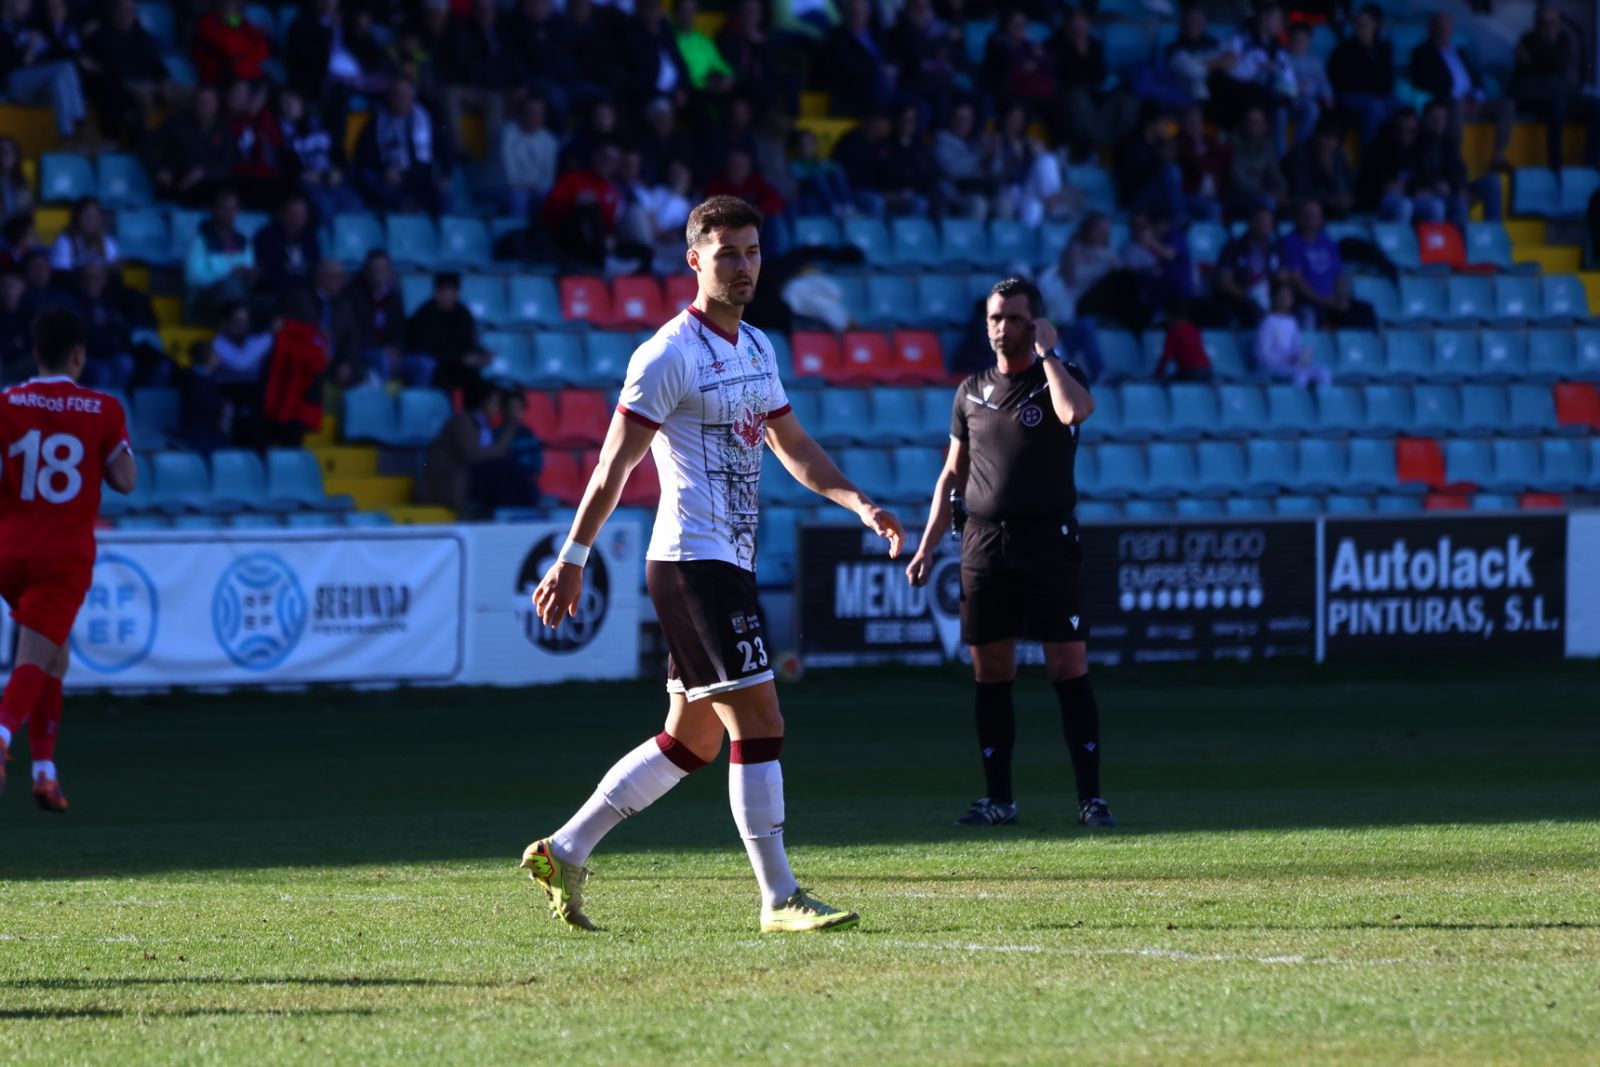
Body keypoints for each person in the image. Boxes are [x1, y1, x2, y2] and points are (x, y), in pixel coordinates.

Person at [521, 195, 904, 933]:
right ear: (693, 260)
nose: (743, 267)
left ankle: (565, 847)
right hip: (692, 560)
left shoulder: (759, 347)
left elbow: (793, 444)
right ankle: (779, 895)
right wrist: (574, 556)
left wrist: (858, 502)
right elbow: (612, 467)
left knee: (692, 737)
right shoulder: (666, 353)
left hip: (728, 559)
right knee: (760, 718)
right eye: (727, 254)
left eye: (753, 252)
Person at [903, 277, 1112, 830]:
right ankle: (999, 799)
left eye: (1014, 318)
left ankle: (1091, 799)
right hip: (984, 545)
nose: (1001, 328)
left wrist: (1048, 354)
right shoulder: (970, 390)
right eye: (995, 318)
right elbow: (952, 474)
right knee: (991, 673)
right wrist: (926, 545)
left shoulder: (1058, 380)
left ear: (1036, 323)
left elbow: (1076, 413)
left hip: (1048, 542)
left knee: (1067, 667)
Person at [0, 307, 137, 811]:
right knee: (35, 657)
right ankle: (1, 734)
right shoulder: (102, 407)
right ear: (78, 356)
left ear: (36, 353)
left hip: (9, 552)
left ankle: (44, 772)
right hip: (63, 556)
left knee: (54, 655)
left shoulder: (7, 401)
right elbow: (125, 480)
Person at [1409, 12, 1510, 171]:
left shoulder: (1459, 52)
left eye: (1448, 28)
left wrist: (1477, 96)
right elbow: (1421, 80)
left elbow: (1476, 78)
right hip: (1447, 102)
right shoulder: (1422, 52)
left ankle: (1498, 157)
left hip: (1472, 102)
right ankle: (1454, 162)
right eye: (1440, 28)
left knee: (1506, 106)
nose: (1444, 31)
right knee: (1455, 106)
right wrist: (1456, 96)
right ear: (1431, 29)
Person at [417, 377, 528, 514]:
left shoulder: (483, 425)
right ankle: (515, 511)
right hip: (450, 483)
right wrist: (506, 438)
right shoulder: (463, 421)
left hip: (468, 478)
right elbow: (472, 455)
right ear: (483, 401)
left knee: (512, 469)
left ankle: (520, 510)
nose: (498, 408)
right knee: (507, 468)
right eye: (494, 402)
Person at [1512, 3, 1600, 170]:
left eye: (1555, 23)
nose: (1552, 27)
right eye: (1547, 23)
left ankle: (1591, 161)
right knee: (1557, 106)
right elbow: (1547, 65)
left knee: (1595, 106)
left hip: (1560, 93)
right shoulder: (1527, 40)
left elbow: (1560, 63)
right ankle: (1555, 165)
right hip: (1535, 97)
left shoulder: (1563, 40)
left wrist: (1536, 61)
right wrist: (1543, 60)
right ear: (1538, 23)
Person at [1279, 199, 1375, 329]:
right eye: (1308, 215)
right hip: (1309, 301)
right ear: (1298, 217)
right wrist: (1324, 301)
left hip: (1332, 300)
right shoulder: (1290, 243)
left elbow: (1339, 275)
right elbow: (1296, 280)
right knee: (1308, 314)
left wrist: (1340, 296)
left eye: (1316, 215)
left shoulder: (1327, 242)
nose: (1312, 219)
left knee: (1364, 311)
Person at [406, 271, 489, 391]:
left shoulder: (463, 313)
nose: (451, 296)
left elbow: (468, 343)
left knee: (475, 375)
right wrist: (460, 359)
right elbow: (424, 349)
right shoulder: (424, 314)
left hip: (459, 365)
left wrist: (481, 355)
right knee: (440, 371)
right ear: (437, 292)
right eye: (447, 291)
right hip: (437, 367)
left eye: (454, 291)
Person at [1327, 4, 1396, 146]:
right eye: (1358, 23)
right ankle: (1370, 156)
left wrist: (1379, 89)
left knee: (1397, 106)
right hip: (1351, 95)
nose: (1361, 27)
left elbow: (1388, 77)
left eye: (1366, 24)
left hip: (1379, 94)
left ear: (1376, 25)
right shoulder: (1345, 49)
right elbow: (1342, 80)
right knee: (1375, 107)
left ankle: (1393, 156)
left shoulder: (1384, 48)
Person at [1206, 204, 1281, 328]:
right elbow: (1224, 283)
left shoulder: (1274, 250)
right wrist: (1249, 295)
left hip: (1269, 299)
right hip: (1241, 302)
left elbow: (1281, 275)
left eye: (1269, 224)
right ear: (1251, 223)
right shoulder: (1233, 248)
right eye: (1262, 223)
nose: (1266, 227)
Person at [1255, 281, 1331, 388]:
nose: (1286, 300)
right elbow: (1262, 355)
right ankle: (1294, 403)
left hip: (1290, 365)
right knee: (1300, 375)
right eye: (1282, 296)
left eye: (1289, 296)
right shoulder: (1267, 322)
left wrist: (1301, 355)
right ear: (1274, 298)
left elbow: (1295, 347)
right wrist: (1285, 359)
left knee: (1323, 372)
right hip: (1271, 366)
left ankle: (1323, 403)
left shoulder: (1292, 322)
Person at [499, 94, 559, 219]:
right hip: (506, 188)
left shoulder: (550, 141)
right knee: (518, 197)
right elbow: (510, 176)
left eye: (537, 113)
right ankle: (517, 233)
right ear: (520, 115)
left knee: (550, 196)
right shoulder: (507, 134)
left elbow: (547, 178)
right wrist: (530, 185)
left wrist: (533, 186)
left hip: (536, 189)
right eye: (529, 112)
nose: (533, 117)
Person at [253, 193, 322, 298]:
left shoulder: (310, 238)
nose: (296, 220)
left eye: (301, 216)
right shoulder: (266, 237)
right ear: (282, 214)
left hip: (305, 291)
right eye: (293, 215)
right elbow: (270, 272)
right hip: (276, 291)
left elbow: (314, 266)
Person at [48, 196, 118, 273]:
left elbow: (112, 270)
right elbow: (61, 273)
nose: (91, 221)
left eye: (95, 217)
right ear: (77, 218)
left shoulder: (107, 242)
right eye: (87, 216)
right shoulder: (64, 241)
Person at [1154, 299, 1211, 381]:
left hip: (1190, 373)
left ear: (1169, 315)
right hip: (1206, 371)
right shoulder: (1193, 329)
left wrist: (1157, 375)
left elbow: (1166, 356)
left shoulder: (1175, 331)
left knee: (1166, 382)